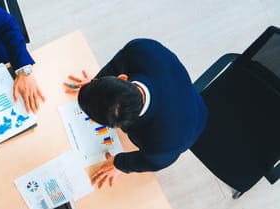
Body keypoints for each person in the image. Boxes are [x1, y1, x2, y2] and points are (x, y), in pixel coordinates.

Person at [65, 39, 208, 188]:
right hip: (174, 87)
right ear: (122, 78)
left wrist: (119, 164)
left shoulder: (165, 143)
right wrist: (96, 83)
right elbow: (116, 65)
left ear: (120, 126)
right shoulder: (141, 50)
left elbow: (153, 161)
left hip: (193, 120)